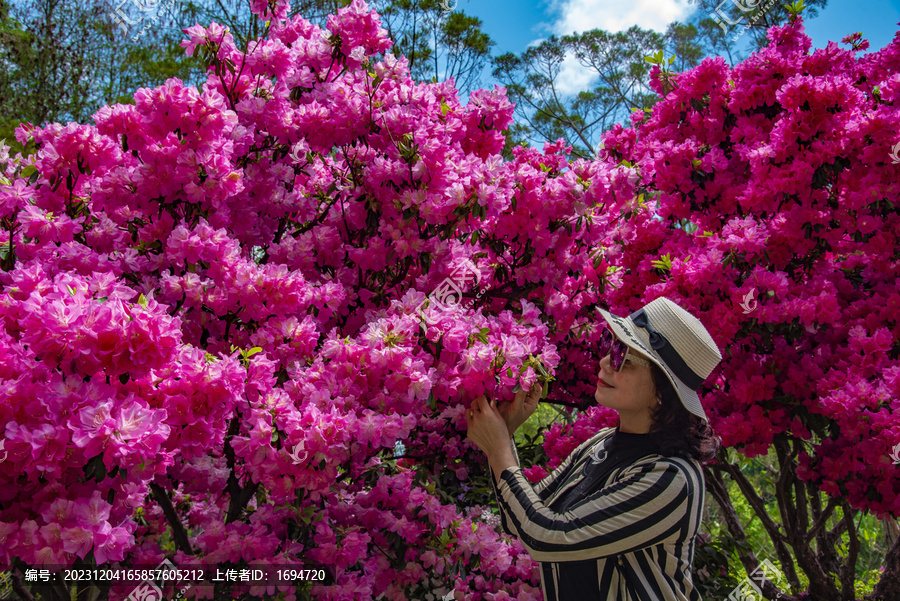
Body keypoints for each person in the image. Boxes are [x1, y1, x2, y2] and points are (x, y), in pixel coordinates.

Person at [466, 296, 722, 601]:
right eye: (610, 344)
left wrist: (498, 450)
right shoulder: (599, 444)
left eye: (623, 357)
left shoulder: (672, 478)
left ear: (664, 392)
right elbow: (519, 518)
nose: (604, 362)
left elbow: (550, 537)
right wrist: (505, 434)